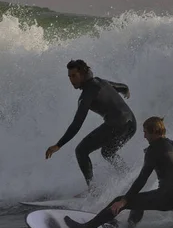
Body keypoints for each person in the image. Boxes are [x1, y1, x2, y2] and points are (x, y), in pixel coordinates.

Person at [64, 116, 173, 228]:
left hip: (168, 197)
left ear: (154, 132)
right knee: (138, 201)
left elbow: (141, 179)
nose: (144, 136)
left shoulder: (154, 149)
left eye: (145, 133)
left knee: (119, 201)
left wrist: (124, 201)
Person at [45, 59, 137, 193]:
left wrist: (58, 145)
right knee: (108, 152)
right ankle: (129, 176)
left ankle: (93, 190)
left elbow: (77, 123)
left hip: (118, 124)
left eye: (74, 76)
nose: (71, 80)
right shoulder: (100, 81)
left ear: (82, 74)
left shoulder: (86, 95)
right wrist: (126, 90)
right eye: (69, 76)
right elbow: (122, 86)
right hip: (131, 124)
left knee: (81, 151)